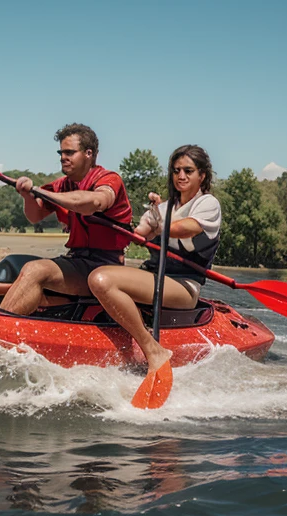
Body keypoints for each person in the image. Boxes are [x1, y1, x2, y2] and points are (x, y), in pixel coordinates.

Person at [87, 145, 221, 378]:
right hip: (155, 277)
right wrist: (133, 226)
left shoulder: (208, 205)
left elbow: (181, 229)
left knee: (101, 280)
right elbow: (140, 234)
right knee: (98, 273)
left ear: (202, 175)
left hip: (184, 285)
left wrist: (158, 219)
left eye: (188, 171)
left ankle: (153, 350)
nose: (181, 176)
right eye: (176, 170)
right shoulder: (162, 208)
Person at [0, 123, 133, 315]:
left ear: (89, 153)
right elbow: (35, 216)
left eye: (69, 152)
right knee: (19, 266)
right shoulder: (62, 185)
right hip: (77, 261)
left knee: (36, 270)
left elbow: (93, 202)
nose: (63, 158)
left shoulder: (109, 179)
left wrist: (37, 190)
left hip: (105, 267)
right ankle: (7, 320)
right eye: (61, 153)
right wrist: (27, 196)